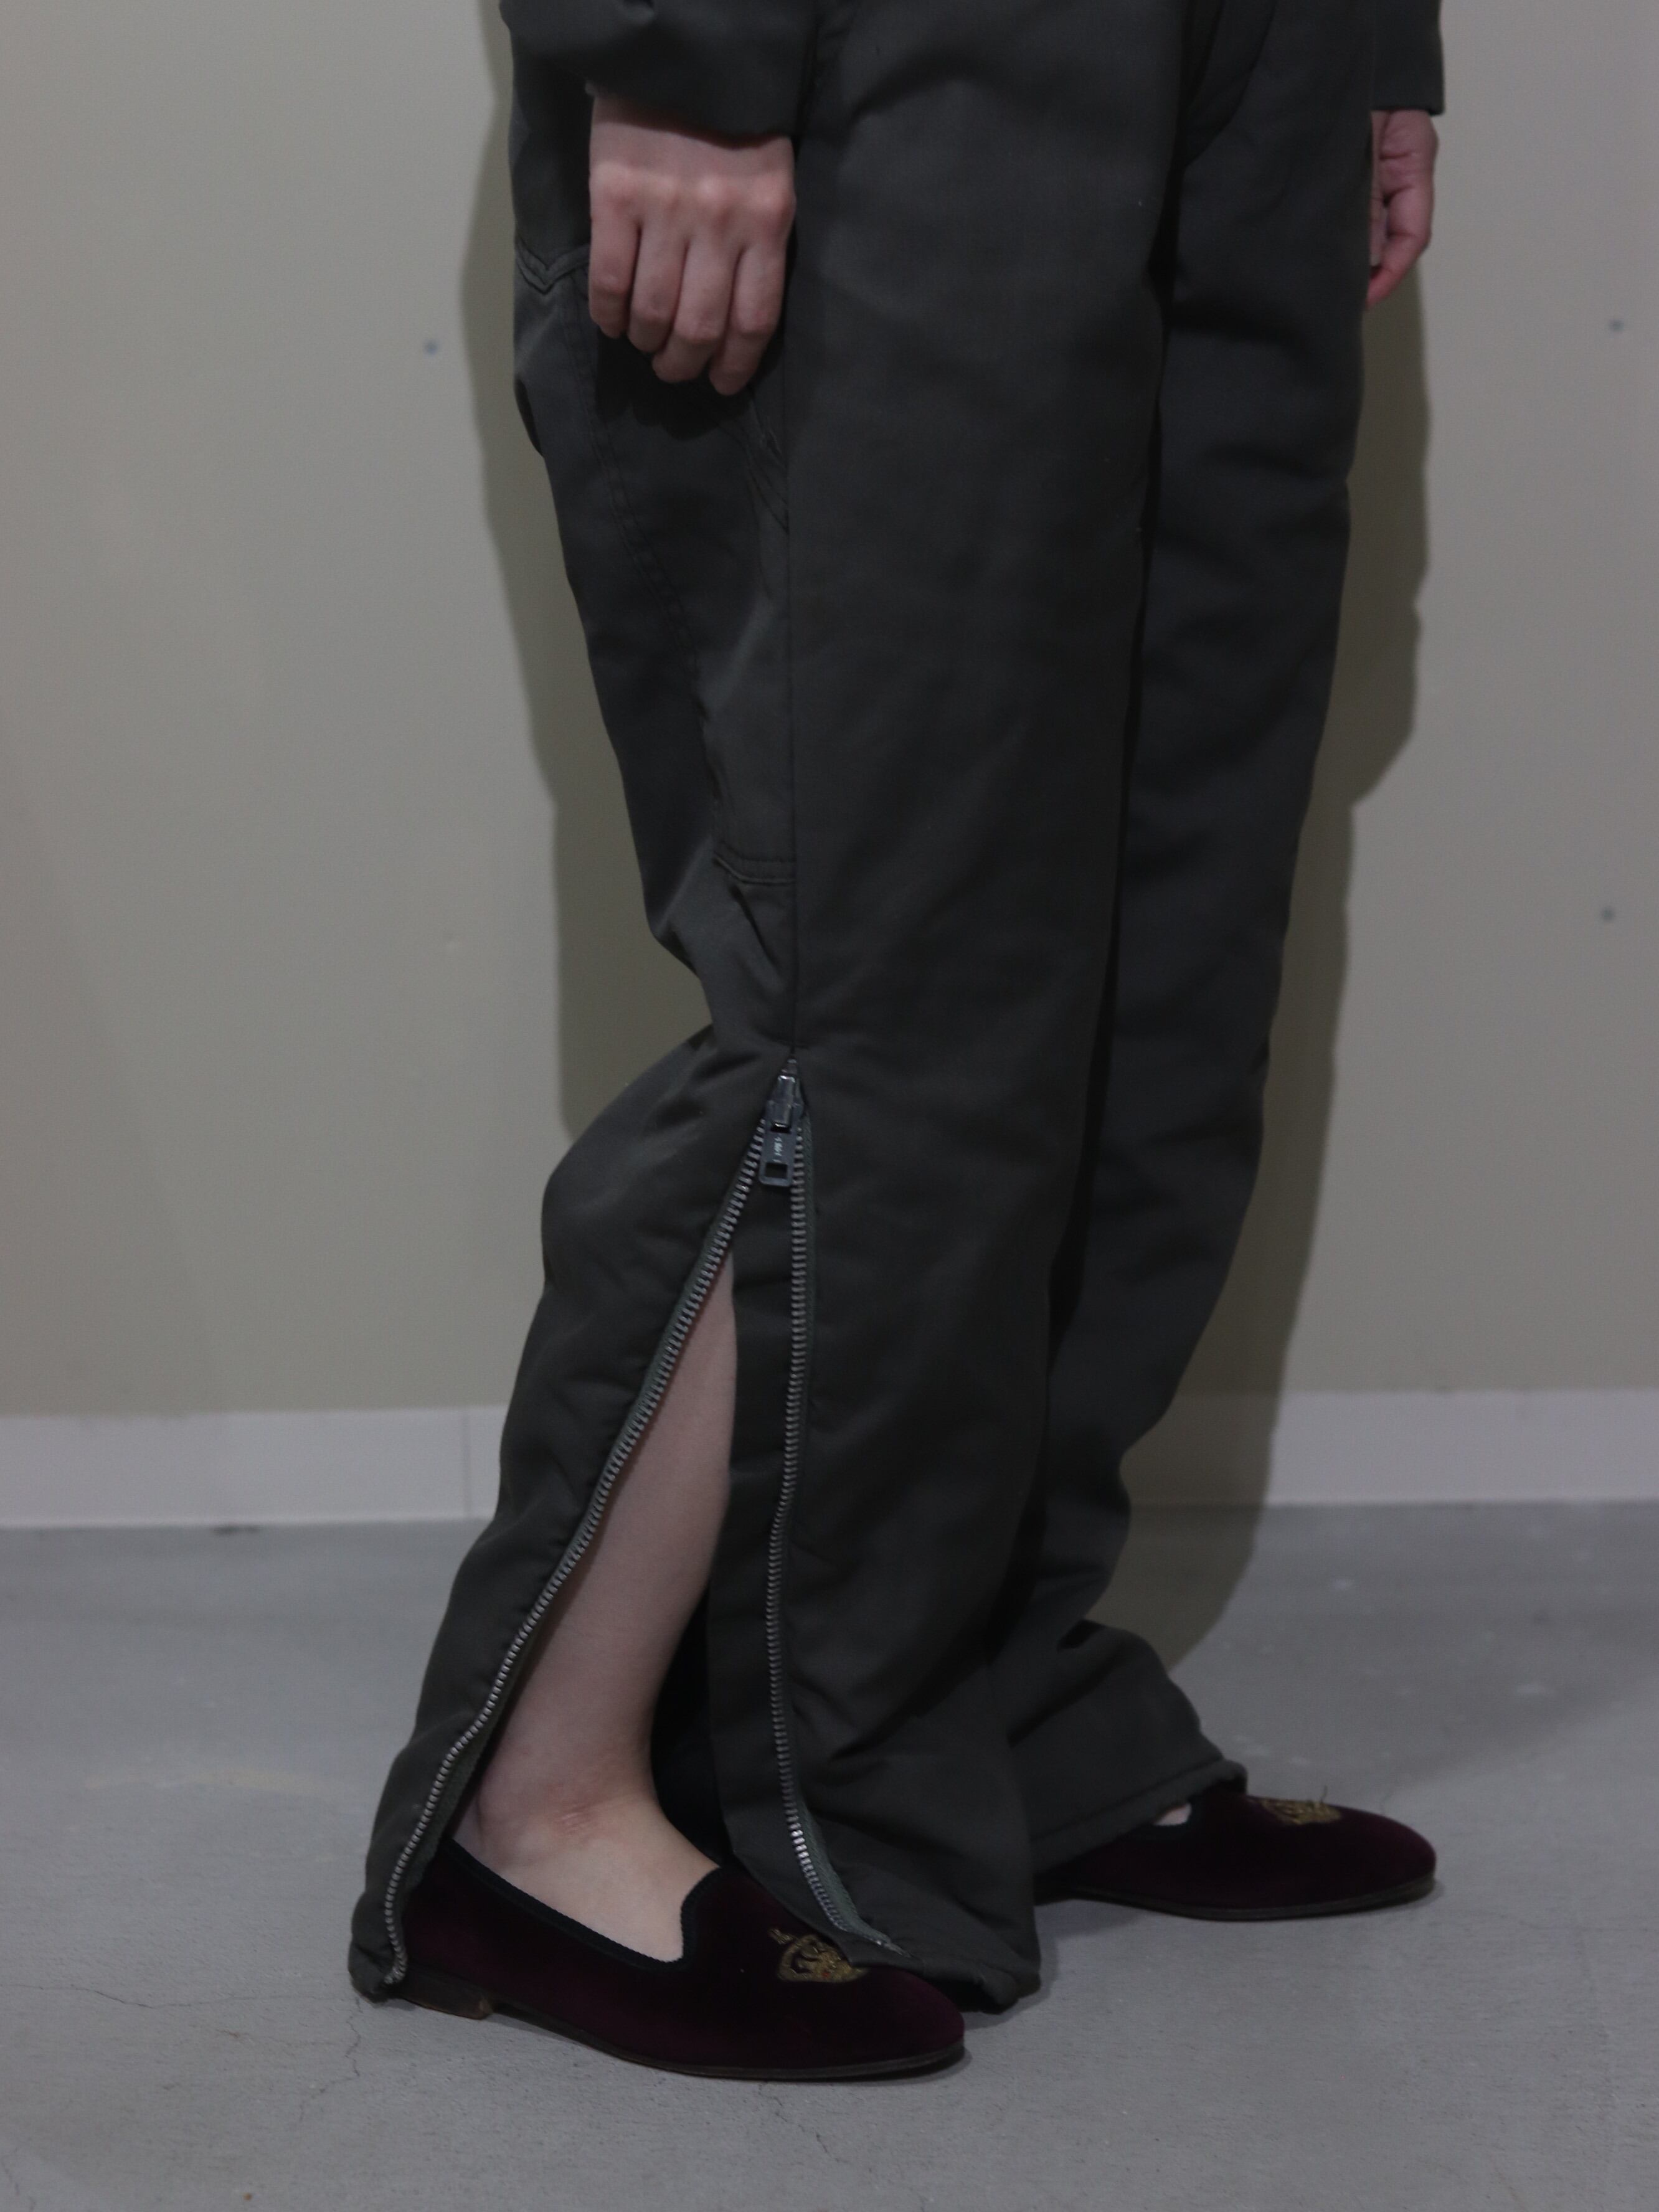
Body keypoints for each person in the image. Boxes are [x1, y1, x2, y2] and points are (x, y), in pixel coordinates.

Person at [349, 0, 1444, 2079]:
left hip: (1252, 60)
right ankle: (540, 1802)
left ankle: (963, 1701)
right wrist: (668, 41)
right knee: (880, 958)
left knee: (1160, 934)